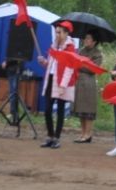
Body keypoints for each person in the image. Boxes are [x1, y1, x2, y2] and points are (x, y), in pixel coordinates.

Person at [37, 21, 77, 149]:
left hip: (61, 81)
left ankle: (56, 138)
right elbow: (51, 63)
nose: (57, 34)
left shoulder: (70, 48)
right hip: (51, 78)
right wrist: (44, 62)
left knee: (60, 110)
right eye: (56, 32)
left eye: (59, 32)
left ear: (66, 33)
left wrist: (63, 85)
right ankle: (50, 135)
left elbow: (69, 68)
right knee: (47, 109)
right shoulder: (54, 45)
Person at [72, 30, 103, 143]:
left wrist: (82, 65)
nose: (86, 40)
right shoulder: (80, 51)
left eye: (89, 38)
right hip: (79, 81)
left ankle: (88, 134)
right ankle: (83, 133)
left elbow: (93, 69)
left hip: (89, 83)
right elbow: (75, 64)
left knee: (88, 110)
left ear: (94, 41)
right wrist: (82, 64)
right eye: (85, 38)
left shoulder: (97, 53)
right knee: (80, 109)